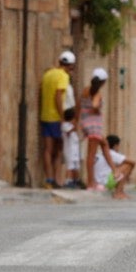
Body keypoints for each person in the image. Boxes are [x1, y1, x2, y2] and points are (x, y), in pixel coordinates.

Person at [40, 50, 77, 188]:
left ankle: (48, 180)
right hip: (55, 117)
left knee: (47, 150)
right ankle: (55, 179)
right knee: (58, 150)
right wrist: (62, 117)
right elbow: (58, 96)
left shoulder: (48, 74)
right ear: (70, 66)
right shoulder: (63, 76)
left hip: (44, 115)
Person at [76, 67, 114, 190]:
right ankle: (91, 183)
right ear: (103, 82)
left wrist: (77, 121)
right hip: (94, 126)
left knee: (104, 144)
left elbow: (78, 105)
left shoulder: (85, 91)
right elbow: (95, 104)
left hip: (86, 124)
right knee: (91, 155)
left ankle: (114, 170)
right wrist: (96, 107)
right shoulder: (97, 94)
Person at [93, 133, 136, 199]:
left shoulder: (99, 153)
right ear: (115, 145)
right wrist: (128, 175)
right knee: (128, 165)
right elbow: (133, 162)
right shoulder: (111, 153)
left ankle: (119, 191)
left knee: (119, 167)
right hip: (106, 182)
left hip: (97, 182)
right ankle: (119, 192)